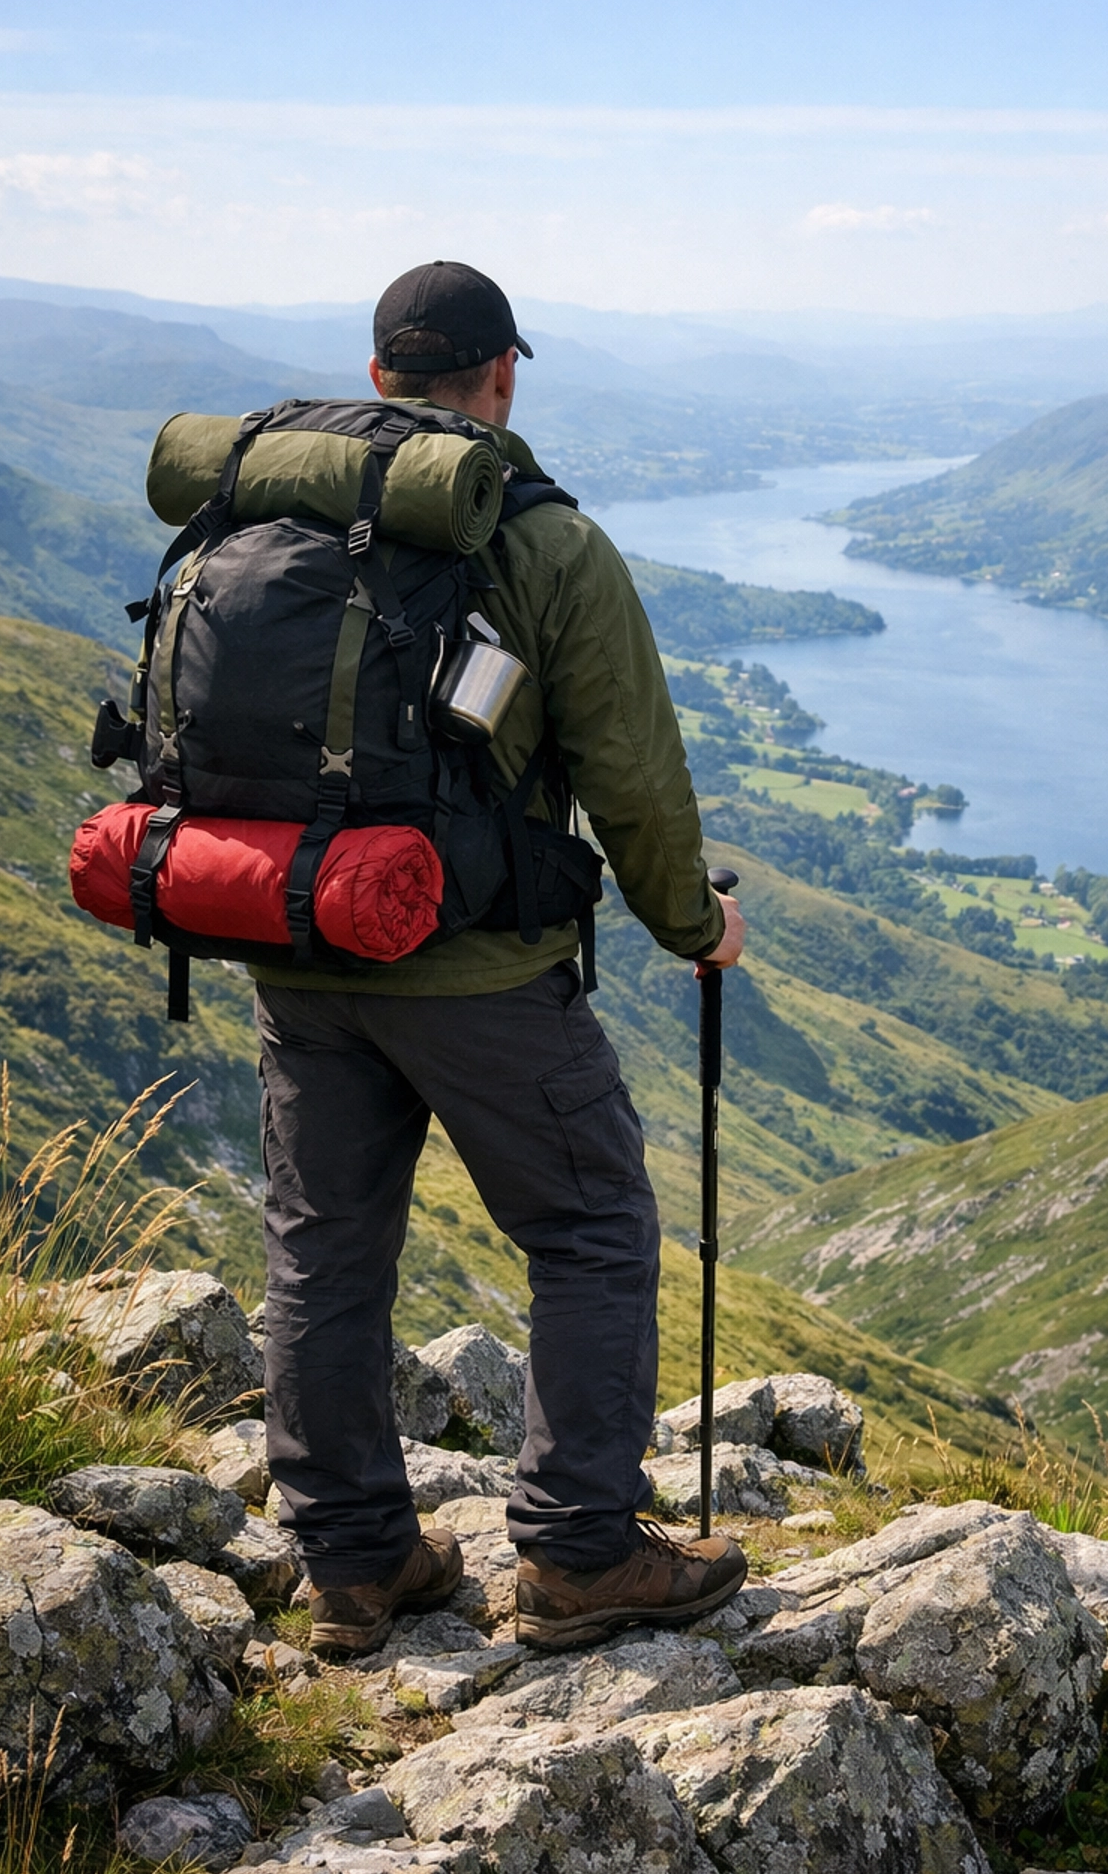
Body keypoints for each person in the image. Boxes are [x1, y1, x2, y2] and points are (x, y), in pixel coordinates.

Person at [254, 259, 748, 1657]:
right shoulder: (539, 543)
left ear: (375, 380)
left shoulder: (284, 507)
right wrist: (696, 929)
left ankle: (353, 1564)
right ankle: (582, 1553)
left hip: (295, 940)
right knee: (592, 1229)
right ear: (503, 376)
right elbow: (636, 784)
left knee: (325, 1248)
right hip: (476, 975)